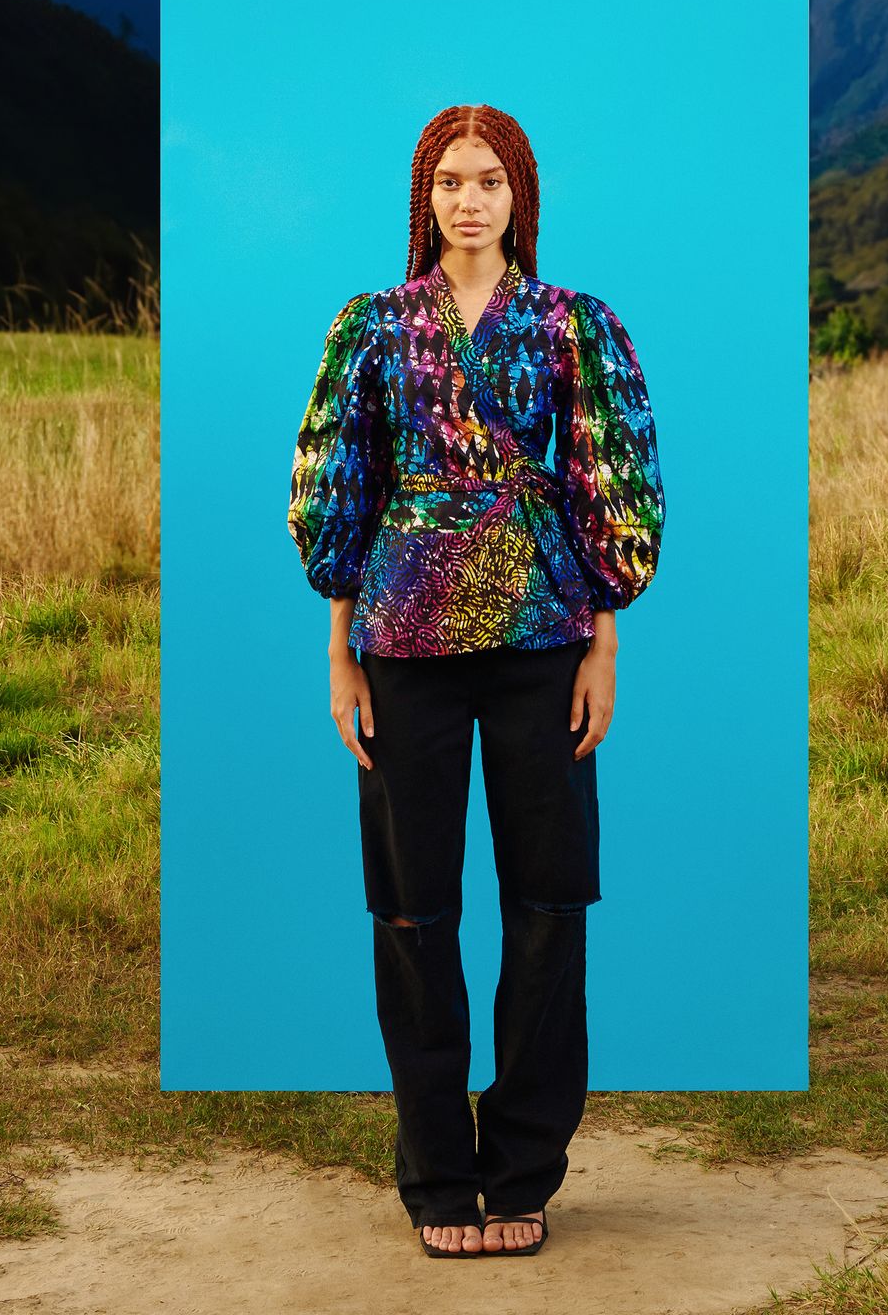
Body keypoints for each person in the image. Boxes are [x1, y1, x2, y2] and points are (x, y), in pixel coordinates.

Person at [287, 102, 666, 1259]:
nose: (468, 199)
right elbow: (337, 480)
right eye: (450, 179)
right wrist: (339, 646)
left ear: (520, 197)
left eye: (489, 180)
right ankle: (435, 1170)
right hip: (401, 646)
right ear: (424, 195)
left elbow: (611, 476)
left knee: (549, 906)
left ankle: (523, 1165)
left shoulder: (572, 325)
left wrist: (605, 644)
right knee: (412, 909)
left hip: (544, 639)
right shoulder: (373, 326)